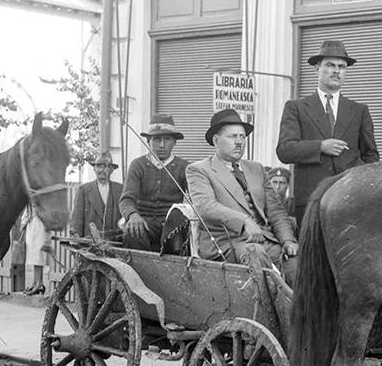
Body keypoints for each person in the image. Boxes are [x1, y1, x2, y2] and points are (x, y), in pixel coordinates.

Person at [276, 39, 379, 225]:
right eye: (330, 65)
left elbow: (371, 156)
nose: (336, 71)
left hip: (350, 199)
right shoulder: (296, 107)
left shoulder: (359, 110)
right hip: (311, 199)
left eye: (342, 66)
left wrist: (361, 187)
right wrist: (320, 146)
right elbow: (284, 150)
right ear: (317, 68)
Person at [186, 109, 298, 275]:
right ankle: (266, 302)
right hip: (227, 243)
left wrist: (288, 240)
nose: (239, 142)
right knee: (256, 255)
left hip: (267, 240)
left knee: (298, 262)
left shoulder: (256, 169)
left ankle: (297, 301)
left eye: (242, 137)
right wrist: (244, 221)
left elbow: (276, 211)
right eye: (232, 136)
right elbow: (205, 206)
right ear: (216, 141)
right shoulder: (199, 170)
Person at [117, 114, 190, 252]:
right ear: (148, 141)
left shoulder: (184, 167)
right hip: (143, 223)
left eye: (167, 139)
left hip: (171, 227)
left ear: (174, 142)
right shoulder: (138, 165)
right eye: (156, 139)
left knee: (179, 240)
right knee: (133, 232)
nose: (161, 145)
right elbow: (126, 200)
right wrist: (132, 215)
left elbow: (196, 199)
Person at [70, 152, 124, 242]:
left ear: (112, 170)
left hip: (115, 245)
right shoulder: (84, 190)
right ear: (94, 169)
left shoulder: (120, 189)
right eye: (99, 166)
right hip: (90, 247)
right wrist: (77, 242)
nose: (102, 170)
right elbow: (77, 221)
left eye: (106, 167)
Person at [22, 203, 50, 295]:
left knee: (37, 255)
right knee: (34, 256)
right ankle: (35, 282)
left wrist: (24, 222)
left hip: (37, 225)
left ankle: (39, 283)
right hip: (34, 224)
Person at [266, 165, 296, 235]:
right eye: (274, 182)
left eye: (282, 183)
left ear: (288, 185)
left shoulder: (292, 204)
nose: (278, 187)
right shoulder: (263, 203)